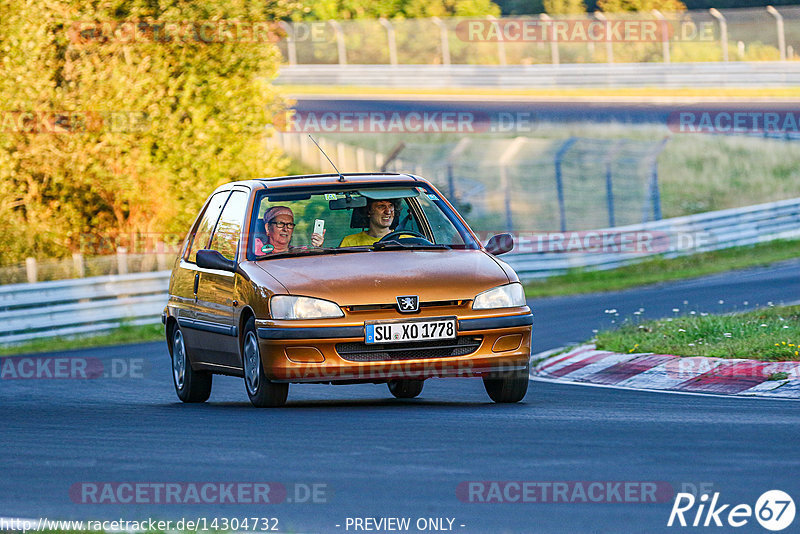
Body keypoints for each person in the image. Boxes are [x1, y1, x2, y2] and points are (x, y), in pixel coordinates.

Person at [255, 205, 324, 255]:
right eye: (280, 224)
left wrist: (318, 248)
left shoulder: (300, 253)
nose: (285, 229)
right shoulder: (256, 249)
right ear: (267, 228)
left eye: (290, 225)